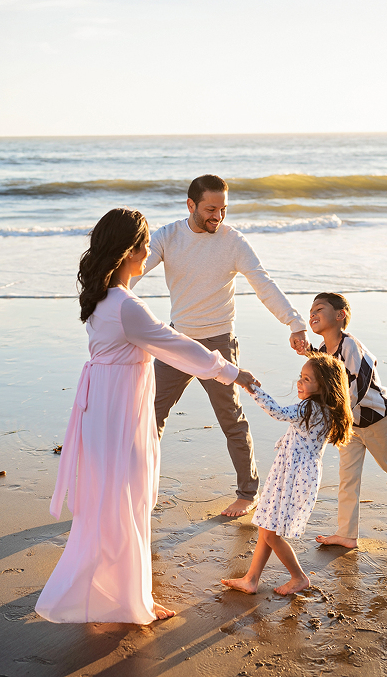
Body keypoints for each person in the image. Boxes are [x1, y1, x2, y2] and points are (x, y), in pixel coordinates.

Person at [35, 208, 258, 625]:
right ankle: (131, 599)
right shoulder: (126, 305)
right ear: (128, 251)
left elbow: (167, 344)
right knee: (130, 498)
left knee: (114, 498)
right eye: (144, 245)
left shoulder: (101, 298)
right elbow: (177, 345)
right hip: (119, 411)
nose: (148, 252)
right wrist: (231, 371)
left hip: (103, 406)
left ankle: (123, 592)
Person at [131, 174, 307, 517]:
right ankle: (138, 488)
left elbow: (263, 283)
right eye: (211, 209)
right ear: (191, 205)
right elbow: (132, 273)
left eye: (223, 209)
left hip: (218, 345)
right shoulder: (167, 237)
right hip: (177, 341)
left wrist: (294, 322)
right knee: (149, 417)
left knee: (231, 419)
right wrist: (104, 300)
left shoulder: (232, 241)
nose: (219, 216)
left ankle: (248, 492)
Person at [221, 354, 353, 596]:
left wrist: (251, 388)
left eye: (306, 379)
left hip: (292, 477)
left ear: (323, 386)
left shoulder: (310, 408)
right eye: (300, 377)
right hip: (295, 474)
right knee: (266, 527)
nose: (299, 383)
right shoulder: (323, 409)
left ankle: (298, 577)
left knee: (270, 533)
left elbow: (278, 412)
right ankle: (251, 579)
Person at [297, 292, 387, 549]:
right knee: (348, 479)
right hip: (349, 427)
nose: (312, 314)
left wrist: (339, 413)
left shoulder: (351, 346)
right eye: (310, 310)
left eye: (319, 309)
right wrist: (307, 352)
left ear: (339, 315)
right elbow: (325, 371)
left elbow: (360, 381)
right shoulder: (324, 351)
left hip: (377, 420)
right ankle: (347, 534)